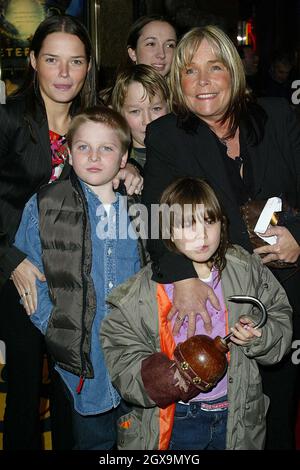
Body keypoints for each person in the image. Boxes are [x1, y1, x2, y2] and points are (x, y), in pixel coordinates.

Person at [142, 25, 300, 449]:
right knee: (235, 425)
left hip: (289, 294)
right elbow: (155, 218)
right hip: (222, 306)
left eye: (215, 67)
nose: (204, 81)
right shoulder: (167, 137)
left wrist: (298, 237)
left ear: (233, 70)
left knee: (281, 417)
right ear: (178, 82)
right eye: (190, 71)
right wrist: (183, 278)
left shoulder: (280, 115)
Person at [0, 14, 142, 450]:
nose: (64, 74)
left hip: (83, 273)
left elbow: (113, 155)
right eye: (52, 60)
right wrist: (12, 260)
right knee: (27, 387)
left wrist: (130, 166)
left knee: (72, 393)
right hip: (23, 271)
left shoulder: (97, 118)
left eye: (76, 62)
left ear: (88, 65)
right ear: (33, 61)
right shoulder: (8, 120)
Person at [101, 176, 292, 450]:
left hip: (236, 415)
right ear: (168, 230)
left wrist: (259, 338)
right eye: (187, 224)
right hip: (178, 419)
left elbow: (279, 314)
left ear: (222, 223)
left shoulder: (245, 269)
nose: (202, 235)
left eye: (209, 221)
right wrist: (166, 380)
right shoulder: (146, 289)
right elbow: (119, 346)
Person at [110, 64, 170, 170]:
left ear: (169, 107)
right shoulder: (112, 165)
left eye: (156, 109)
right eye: (135, 111)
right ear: (119, 115)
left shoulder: (186, 154)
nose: (147, 121)